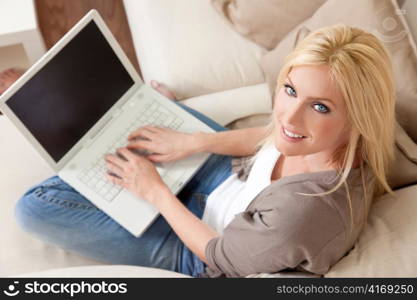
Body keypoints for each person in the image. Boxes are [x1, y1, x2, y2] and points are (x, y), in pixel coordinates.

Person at [14, 24, 397, 278]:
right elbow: (271, 136)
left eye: (320, 107)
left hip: (205, 248)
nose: (290, 118)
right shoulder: (324, 138)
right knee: (137, 109)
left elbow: (218, 254)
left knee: (34, 207)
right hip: (232, 176)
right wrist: (195, 141)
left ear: (360, 117)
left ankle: (82, 144)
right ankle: (114, 119)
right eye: (291, 90)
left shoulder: (303, 213)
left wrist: (155, 192)